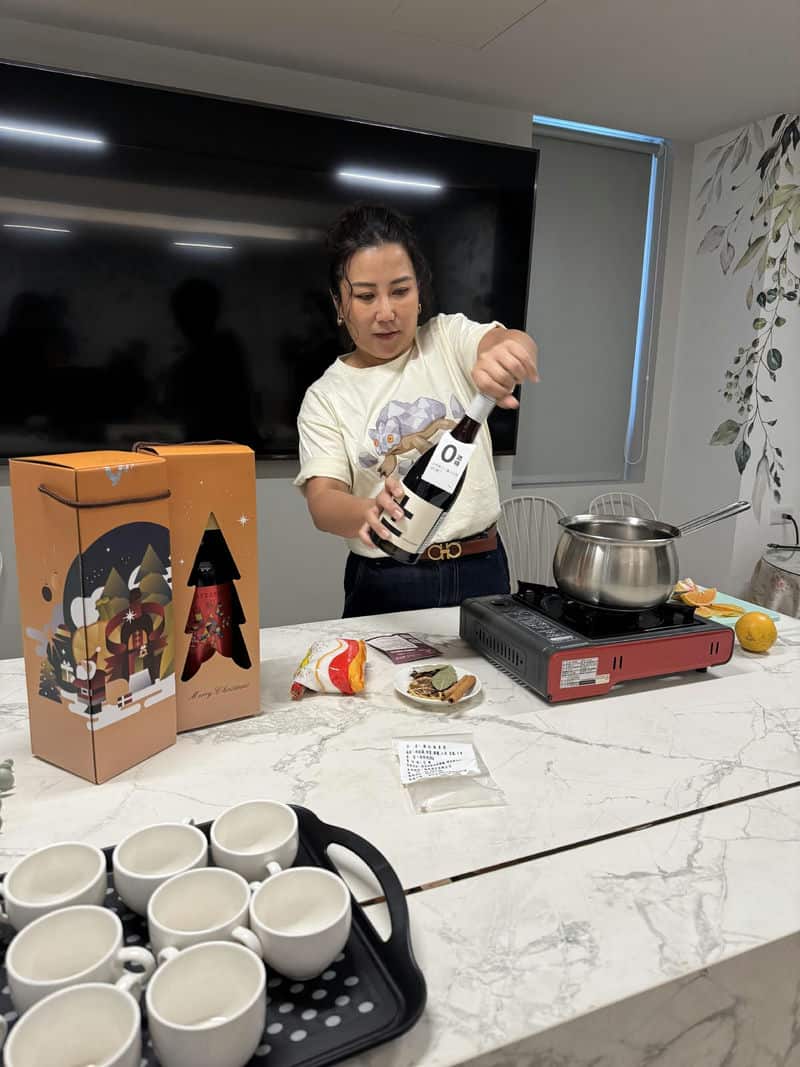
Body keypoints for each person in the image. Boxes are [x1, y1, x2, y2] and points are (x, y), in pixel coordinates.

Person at [294, 204, 539, 617]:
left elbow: (507, 340)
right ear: (339, 304)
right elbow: (323, 501)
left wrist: (509, 353)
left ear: (420, 293)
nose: (386, 312)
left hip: (482, 566)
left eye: (400, 291)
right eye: (366, 296)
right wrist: (368, 511)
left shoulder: (446, 338)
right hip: (387, 576)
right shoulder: (326, 396)